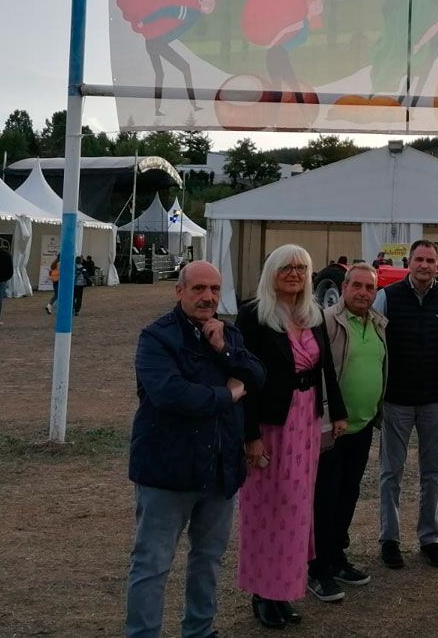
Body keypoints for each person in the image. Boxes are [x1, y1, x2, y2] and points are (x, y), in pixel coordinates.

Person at [124, 261, 266, 638]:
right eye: (199, 288)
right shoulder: (157, 337)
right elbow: (171, 394)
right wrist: (228, 393)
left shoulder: (229, 334)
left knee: (208, 560)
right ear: (179, 291)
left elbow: (258, 376)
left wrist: (224, 351)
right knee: (152, 563)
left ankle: (200, 631)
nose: (208, 297)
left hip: (220, 469)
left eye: (215, 290)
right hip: (168, 469)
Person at [235, 244, 347, 629]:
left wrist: (340, 413)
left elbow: (325, 368)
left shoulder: (312, 313)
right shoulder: (254, 315)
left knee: (299, 511)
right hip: (271, 424)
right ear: (272, 271)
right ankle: (262, 593)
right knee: (268, 509)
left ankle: (283, 589)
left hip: (306, 421)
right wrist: (250, 435)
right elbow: (243, 380)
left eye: (301, 268)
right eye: (287, 267)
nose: (295, 274)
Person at [372, 240, 438, 570]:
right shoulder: (388, 297)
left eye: (430, 260)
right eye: (419, 259)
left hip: (436, 399)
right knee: (390, 472)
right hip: (396, 399)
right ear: (409, 262)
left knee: (432, 473)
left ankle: (429, 538)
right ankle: (390, 538)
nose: (424, 265)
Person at [308, 263, 388, 602]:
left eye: (369, 288)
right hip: (332, 429)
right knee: (324, 499)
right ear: (343, 288)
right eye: (356, 286)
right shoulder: (327, 322)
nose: (363, 293)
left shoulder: (379, 324)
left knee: (348, 494)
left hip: (363, 425)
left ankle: (337, 557)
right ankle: (318, 569)